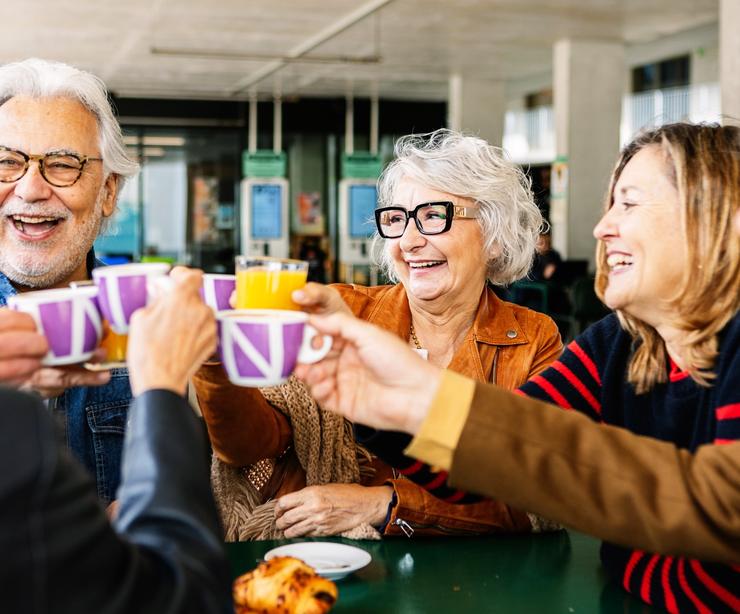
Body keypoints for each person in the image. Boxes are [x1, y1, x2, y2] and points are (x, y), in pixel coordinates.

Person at [297, 123, 740, 611]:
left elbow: (721, 504)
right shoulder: (615, 342)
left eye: (629, 204)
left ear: (714, 219)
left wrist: (425, 396)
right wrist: (386, 403)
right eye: (610, 205)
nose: (602, 227)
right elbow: (490, 462)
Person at [194, 129, 563, 540]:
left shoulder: (531, 339)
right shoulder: (345, 313)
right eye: (396, 219)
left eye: (433, 216)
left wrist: (382, 503)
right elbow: (251, 448)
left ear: (494, 237)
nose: (408, 241)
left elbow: (540, 492)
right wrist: (213, 360)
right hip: (337, 569)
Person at [1, 268, 233, 613]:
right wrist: (161, 386)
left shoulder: (151, 304)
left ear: (107, 208)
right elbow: (186, 598)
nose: (33, 208)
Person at [0, 58, 139, 503]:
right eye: (6, 162)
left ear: (108, 191)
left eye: (63, 164)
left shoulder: (147, 321)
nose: (30, 189)